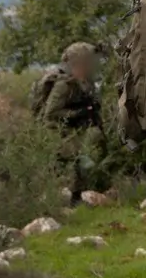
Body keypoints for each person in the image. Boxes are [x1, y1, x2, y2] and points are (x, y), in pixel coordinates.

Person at [38, 41, 103, 204]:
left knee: (94, 142)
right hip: (55, 130)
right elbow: (51, 114)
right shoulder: (63, 85)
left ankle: (86, 190)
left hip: (72, 128)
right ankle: (73, 197)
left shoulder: (84, 83)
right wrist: (78, 113)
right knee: (76, 156)